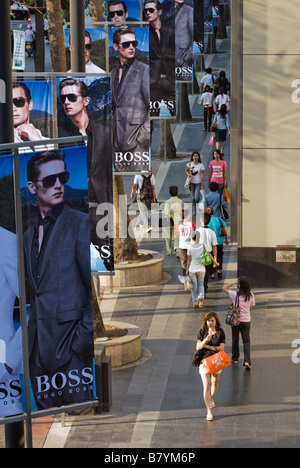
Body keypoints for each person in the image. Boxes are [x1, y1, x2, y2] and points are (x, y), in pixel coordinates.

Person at [23, 150, 94, 410]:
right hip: (38, 355)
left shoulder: (80, 224)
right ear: (32, 187)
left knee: (82, 426)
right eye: (50, 180)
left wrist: (80, 343)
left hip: (71, 354)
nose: (58, 185)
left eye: (62, 177)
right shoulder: (27, 235)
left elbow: (91, 289)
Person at [58, 78, 113, 270]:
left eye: (72, 97)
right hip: (72, 208)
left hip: (101, 208)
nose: (66, 102)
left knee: (102, 263)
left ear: (86, 101)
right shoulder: (59, 136)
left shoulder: (105, 133)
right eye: (62, 98)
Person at [111, 26, 150, 171]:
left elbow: (152, 107)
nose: (131, 47)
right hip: (117, 144)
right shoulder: (113, 73)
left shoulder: (144, 70)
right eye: (126, 44)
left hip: (137, 144)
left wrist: (143, 137)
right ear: (116, 47)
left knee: (140, 187)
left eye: (134, 43)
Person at [0, 227, 23, 416]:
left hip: (1, 357)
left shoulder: (6, 241)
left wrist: (9, 361)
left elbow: (35, 304)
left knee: (12, 425)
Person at [144, 0, 175, 117]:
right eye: (146, 11)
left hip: (170, 80)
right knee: (151, 119)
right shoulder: (144, 33)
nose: (148, 13)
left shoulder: (170, 31)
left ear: (159, 12)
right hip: (153, 83)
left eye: (151, 10)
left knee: (176, 113)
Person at [196, 311, 226, 421]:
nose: (210, 323)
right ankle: (209, 411)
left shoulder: (220, 332)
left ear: (216, 321)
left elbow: (221, 348)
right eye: (208, 321)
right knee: (207, 385)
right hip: (204, 362)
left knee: (215, 382)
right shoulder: (202, 331)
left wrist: (209, 347)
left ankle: (211, 398)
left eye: (212, 321)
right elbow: (198, 347)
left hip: (216, 361)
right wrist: (205, 340)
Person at [223, 277, 255, 370]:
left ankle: (235, 358)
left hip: (235, 321)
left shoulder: (234, 295)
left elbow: (224, 288)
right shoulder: (251, 296)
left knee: (235, 339)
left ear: (239, 285)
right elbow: (250, 308)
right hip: (246, 321)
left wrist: (233, 283)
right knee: (246, 341)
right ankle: (247, 361)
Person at [13, 82, 50, 152]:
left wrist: (38, 143)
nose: (13, 108)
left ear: (30, 104)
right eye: (7, 104)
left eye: (18, 101)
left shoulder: (49, 143)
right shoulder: (4, 145)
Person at [186, 231, 216, 309]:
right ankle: (201, 297)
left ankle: (195, 302)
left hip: (192, 269)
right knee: (201, 284)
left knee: (194, 286)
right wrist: (215, 262)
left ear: (192, 238)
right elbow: (209, 254)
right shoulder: (203, 246)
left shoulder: (189, 247)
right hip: (201, 269)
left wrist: (186, 270)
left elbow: (189, 260)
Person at [197, 212, 218, 295]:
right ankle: (204, 287)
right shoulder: (212, 232)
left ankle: (200, 288)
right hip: (208, 256)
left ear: (200, 220)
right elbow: (214, 246)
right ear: (209, 221)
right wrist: (215, 257)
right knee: (206, 272)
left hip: (198, 255)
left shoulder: (197, 231)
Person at [205, 206, 228, 279]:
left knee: (211, 255)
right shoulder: (219, 219)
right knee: (219, 255)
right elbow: (226, 230)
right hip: (219, 241)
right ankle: (219, 269)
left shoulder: (207, 221)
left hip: (210, 242)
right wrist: (226, 239)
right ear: (214, 212)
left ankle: (212, 273)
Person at [174, 0, 193, 81]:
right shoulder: (165, 11)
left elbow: (195, 35)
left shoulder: (189, 11)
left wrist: (188, 55)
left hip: (183, 60)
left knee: (185, 82)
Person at [175, 209, 196, 277]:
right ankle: (191, 275)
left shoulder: (179, 224)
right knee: (191, 261)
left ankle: (185, 276)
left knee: (184, 262)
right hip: (191, 246)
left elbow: (176, 234)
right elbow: (196, 232)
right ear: (187, 216)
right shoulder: (192, 224)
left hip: (182, 246)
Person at [163, 185, 182, 255]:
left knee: (168, 235)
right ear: (177, 193)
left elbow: (166, 213)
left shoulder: (167, 202)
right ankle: (177, 249)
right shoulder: (180, 201)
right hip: (178, 221)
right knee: (177, 236)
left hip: (169, 221)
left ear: (170, 193)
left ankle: (169, 250)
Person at [185, 151, 205, 216]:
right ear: (192, 157)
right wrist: (188, 174)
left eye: (196, 156)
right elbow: (186, 170)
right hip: (191, 183)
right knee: (193, 197)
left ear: (198, 157)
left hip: (198, 183)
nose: (195, 157)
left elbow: (202, 175)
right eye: (194, 156)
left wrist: (202, 184)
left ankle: (198, 206)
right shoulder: (189, 164)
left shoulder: (201, 165)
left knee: (196, 197)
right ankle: (194, 210)